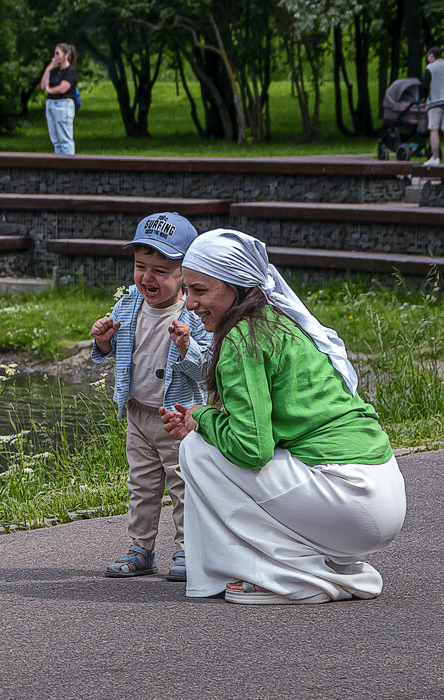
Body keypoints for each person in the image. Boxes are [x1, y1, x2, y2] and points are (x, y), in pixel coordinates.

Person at [159, 229, 406, 605]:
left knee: (196, 450)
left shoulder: (242, 339)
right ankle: (326, 566)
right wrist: (205, 422)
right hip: (380, 494)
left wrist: (202, 419)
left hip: (350, 501)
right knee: (205, 442)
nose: (190, 304)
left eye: (200, 290)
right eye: (186, 290)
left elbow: (252, 449)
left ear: (236, 286)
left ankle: (281, 576)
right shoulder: (278, 322)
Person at [90, 213, 212, 581]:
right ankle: (140, 548)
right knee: (141, 484)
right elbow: (117, 350)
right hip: (138, 412)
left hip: (178, 417)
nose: (147, 278)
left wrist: (186, 346)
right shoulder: (129, 304)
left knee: (183, 484)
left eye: (160, 270)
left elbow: (206, 371)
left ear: (185, 274)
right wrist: (103, 340)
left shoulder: (194, 316)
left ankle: (189, 548)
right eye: (141, 267)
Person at [40, 44, 78, 155]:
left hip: (63, 105)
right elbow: (43, 86)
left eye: (58, 53)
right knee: (56, 140)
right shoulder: (54, 71)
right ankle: (58, 161)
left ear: (66, 55)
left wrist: (50, 90)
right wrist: (49, 68)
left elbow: (63, 88)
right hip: (51, 104)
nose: (55, 56)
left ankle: (69, 162)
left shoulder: (70, 71)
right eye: (54, 53)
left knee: (64, 139)